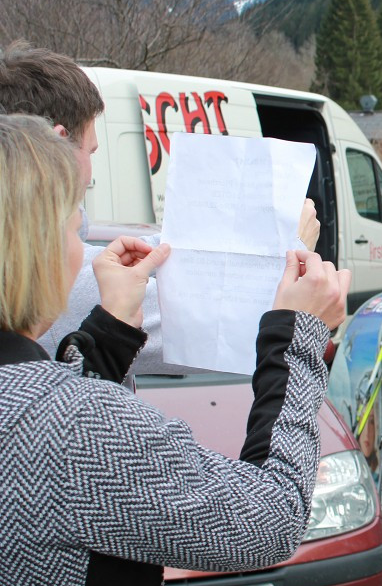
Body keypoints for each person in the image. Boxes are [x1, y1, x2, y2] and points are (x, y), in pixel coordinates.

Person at [0, 114, 351, 586]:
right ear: (31, 250)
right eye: (73, 232)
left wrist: (107, 338)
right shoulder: (70, 424)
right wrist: (297, 338)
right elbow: (271, 519)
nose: (79, 252)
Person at [0, 41, 319, 372]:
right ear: (59, 145)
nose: (90, 173)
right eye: (91, 152)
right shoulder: (58, 272)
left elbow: (163, 251)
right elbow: (229, 326)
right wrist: (290, 246)